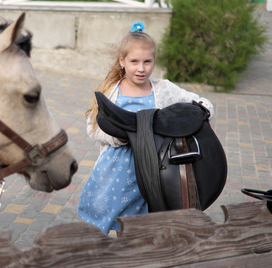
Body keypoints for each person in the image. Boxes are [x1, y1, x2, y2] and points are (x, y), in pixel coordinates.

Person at [78, 21, 214, 235]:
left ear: (154, 61)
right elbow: (93, 127)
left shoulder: (163, 89)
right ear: (122, 61)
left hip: (153, 168)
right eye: (134, 61)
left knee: (141, 223)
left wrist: (202, 112)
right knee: (101, 214)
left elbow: (200, 102)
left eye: (147, 62)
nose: (141, 68)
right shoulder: (111, 91)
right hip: (115, 169)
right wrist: (120, 138)